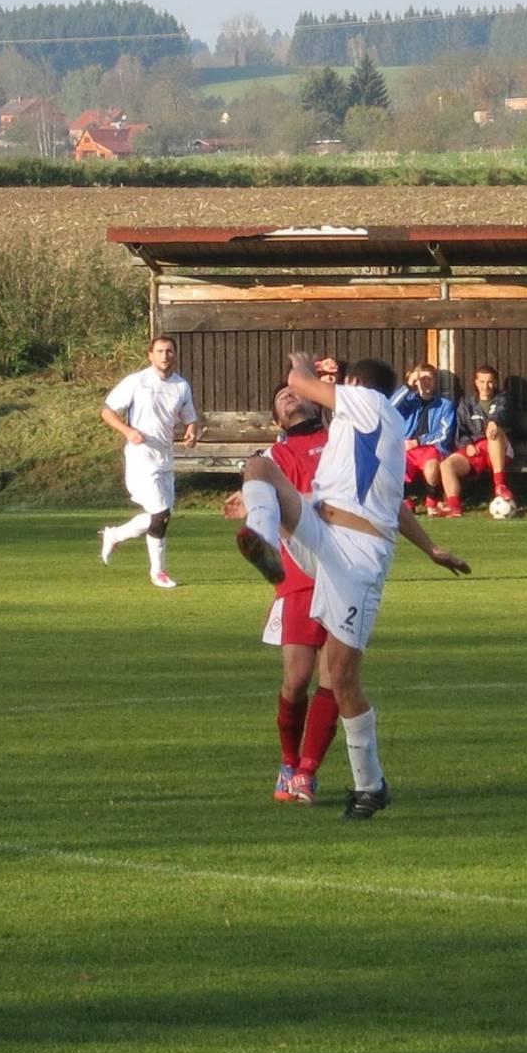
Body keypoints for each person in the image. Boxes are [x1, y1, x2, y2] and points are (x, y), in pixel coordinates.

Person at [234, 353, 471, 820]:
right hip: (323, 530)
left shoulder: (370, 404)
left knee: (342, 678)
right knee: (258, 468)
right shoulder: (354, 429)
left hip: (356, 554)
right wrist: (431, 548)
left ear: (357, 383)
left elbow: (298, 379)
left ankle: (371, 785)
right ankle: (262, 536)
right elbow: (380, 500)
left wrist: (302, 364)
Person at [223, 369, 340, 806]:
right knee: (296, 679)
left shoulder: (339, 441)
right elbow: (263, 488)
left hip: (344, 568)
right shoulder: (273, 456)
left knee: (335, 677)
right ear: (276, 417)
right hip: (300, 573)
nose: (290, 397)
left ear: (314, 400)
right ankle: (288, 762)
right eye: (282, 397)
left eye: (296, 392)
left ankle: (307, 772)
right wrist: (252, 501)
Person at [99, 335, 199, 588]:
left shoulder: (181, 386)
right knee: (160, 514)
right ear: (150, 355)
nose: (165, 356)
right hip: (141, 457)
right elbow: (107, 411)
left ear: (175, 355)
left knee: (162, 516)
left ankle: (115, 535)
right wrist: (128, 431)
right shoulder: (137, 381)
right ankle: (158, 573)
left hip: (165, 458)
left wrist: (191, 432)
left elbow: (190, 418)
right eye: (160, 351)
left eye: (169, 351)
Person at [437, 365, 515, 516]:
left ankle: (500, 485)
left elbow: (501, 412)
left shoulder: (503, 398)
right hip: (477, 450)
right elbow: (461, 431)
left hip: (500, 450)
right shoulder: (466, 404)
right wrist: (467, 444)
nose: (486, 386)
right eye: (482, 382)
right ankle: (454, 506)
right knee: (446, 465)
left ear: (495, 382)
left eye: (490, 382)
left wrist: (493, 422)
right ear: (476, 383)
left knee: (493, 432)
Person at [391, 362, 457, 515]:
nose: (426, 382)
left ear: (435, 381)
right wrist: (408, 386)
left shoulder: (444, 405)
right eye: (422, 378)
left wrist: (419, 441)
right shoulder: (408, 402)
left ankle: (431, 501)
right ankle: (406, 500)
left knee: (431, 468)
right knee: (397, 463)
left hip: (430, 448)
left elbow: (445, 433)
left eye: (430, 378)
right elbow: (389, 407)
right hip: (406, 447)